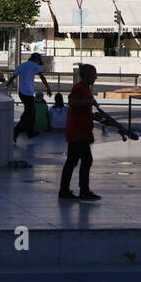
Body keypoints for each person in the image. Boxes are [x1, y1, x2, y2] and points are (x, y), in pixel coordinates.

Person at [59, 64, 105, 202]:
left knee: (73, 161)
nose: (96, 77)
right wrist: (88, 101)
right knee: (85, 160)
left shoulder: (86, 89)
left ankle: (65, 190)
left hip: (81, 131)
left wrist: (94, 117)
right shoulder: (79, 87)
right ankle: (82, 191)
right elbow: (72, 102)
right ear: (86, 75)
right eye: (94, 74)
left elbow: (83, 110)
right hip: (77, 132)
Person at [10, 52, 52, 142]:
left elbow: (14, 76)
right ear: (36, 59)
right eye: (38, 61)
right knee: (29, 113)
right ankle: (17, 131)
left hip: (21, 92)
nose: (38, 63)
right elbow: (42, 77)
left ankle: (29, 132)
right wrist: (48, 88)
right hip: (28, 93)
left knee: (30, 112)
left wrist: (7, 85)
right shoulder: (34, 65)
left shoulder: (22, 65)